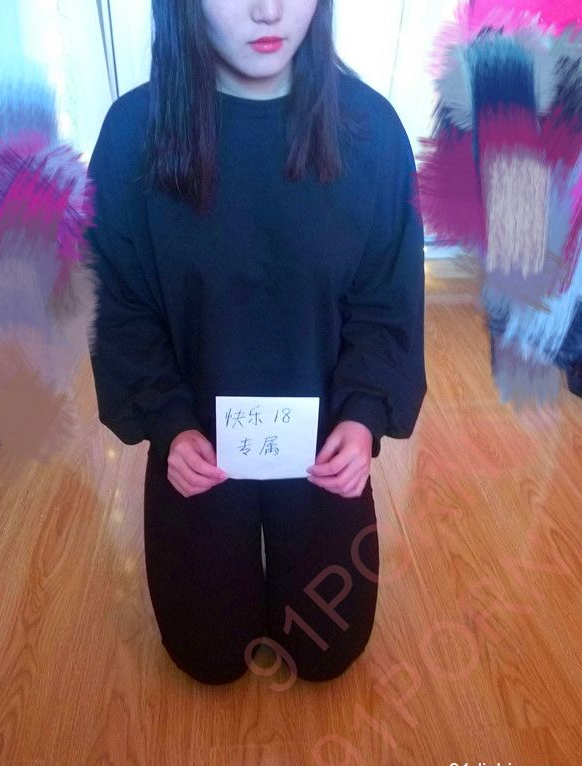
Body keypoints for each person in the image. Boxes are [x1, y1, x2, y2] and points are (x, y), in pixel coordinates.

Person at [85, 0, 427, 685]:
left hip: (322, 446)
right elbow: (119, 306)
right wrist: (169, 424)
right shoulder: (132, 134)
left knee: (326, 653)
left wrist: (362, 417)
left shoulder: (371, 133)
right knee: (208, 658)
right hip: (199, 446)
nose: (268, 10)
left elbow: (387, 303)